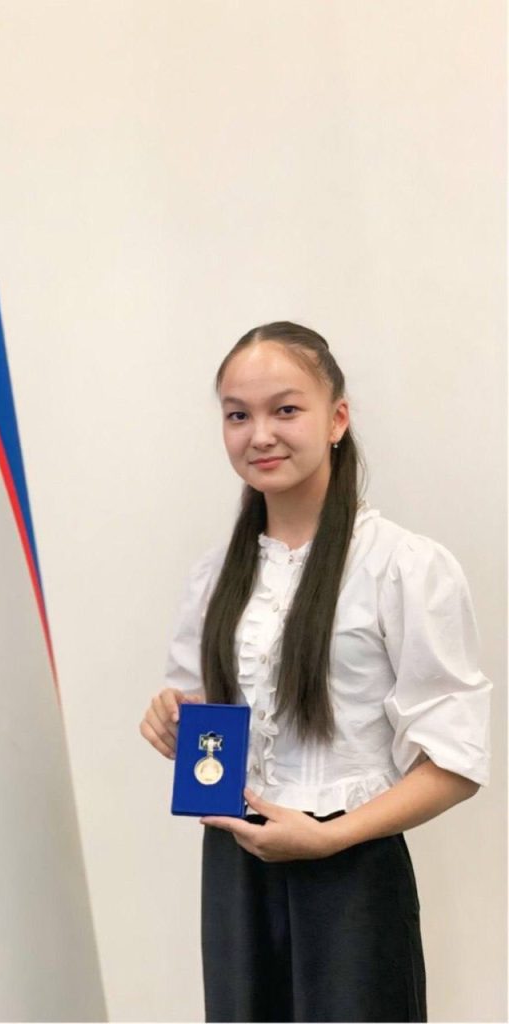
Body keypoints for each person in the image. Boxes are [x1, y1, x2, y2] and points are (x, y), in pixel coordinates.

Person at [139, 321, 491, 1024]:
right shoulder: (215, 576)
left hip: (350, 873)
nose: (260, 435)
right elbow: (205, 715)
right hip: (235, 864)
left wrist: (329, 836)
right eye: (238, 415)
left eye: (285, 409)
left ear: (337, 419)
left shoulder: (403, 567)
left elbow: (456, 761)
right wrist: (172, 718)